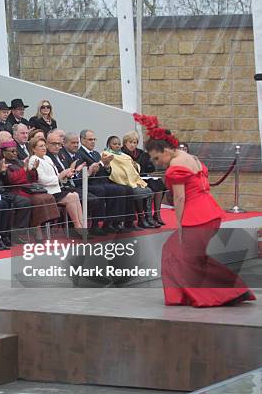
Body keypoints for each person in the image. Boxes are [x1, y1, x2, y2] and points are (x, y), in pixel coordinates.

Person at [138, 115, 256, 307]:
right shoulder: (192, 158)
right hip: (211, 215)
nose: (156, 162)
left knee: (178, 256)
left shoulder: (175, 166)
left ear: (166, 150)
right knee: (190, 257)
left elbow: (180, 198)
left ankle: (223, 293)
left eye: (157, 157)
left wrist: (180, 224)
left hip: (196, 219)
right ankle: (228, 290)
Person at [0, 140, 60, 242]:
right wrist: (24, 169)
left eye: (15, 151)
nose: (14, 153)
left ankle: (44, 225)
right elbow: (12, 180)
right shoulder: (3, 164)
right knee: (37, 200)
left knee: (48, 197)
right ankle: (32, 230)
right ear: (4, 152)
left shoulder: (19, 162)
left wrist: (33, 170)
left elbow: (31, 178)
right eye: (11, 151)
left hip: (28, 189)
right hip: (15, 191)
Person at [28, 137, 85, 237]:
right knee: (72, 197)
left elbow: (57, 175)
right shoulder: (33, 160)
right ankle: (77, 226)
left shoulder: (47, 158)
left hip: (56, 188)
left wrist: (66, 174)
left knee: (75, 195)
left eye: (44, 145)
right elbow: (42, 180)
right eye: (41, 146)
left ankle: (81, 225)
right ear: (33, 149)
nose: (44, 148)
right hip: (46, 191)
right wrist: (60, 176)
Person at [103, 136, 156, 229]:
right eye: (114, 144)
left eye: (119, 144)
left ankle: (148, 218)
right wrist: (125, 179)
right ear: (109, 145)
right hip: (116, 181)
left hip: (130, 180)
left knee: (148, 190)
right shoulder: (106, 154)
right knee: (132, 191)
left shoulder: (125, 155)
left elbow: (133, 168)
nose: (117, 146)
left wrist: (135, 166)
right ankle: (138, 220)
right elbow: (115, 170)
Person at [121, 130, 166, 226]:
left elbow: (150, 169)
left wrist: (150, 161)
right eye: (130, 142)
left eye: (135, 142)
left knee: (159, 184)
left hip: (143, 177)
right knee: (144, 188)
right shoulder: (122, 153)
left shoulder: (141, 153)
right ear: (125, 142)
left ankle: (156, 214)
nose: (133, 145)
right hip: (130, 179)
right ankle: (143, 218)